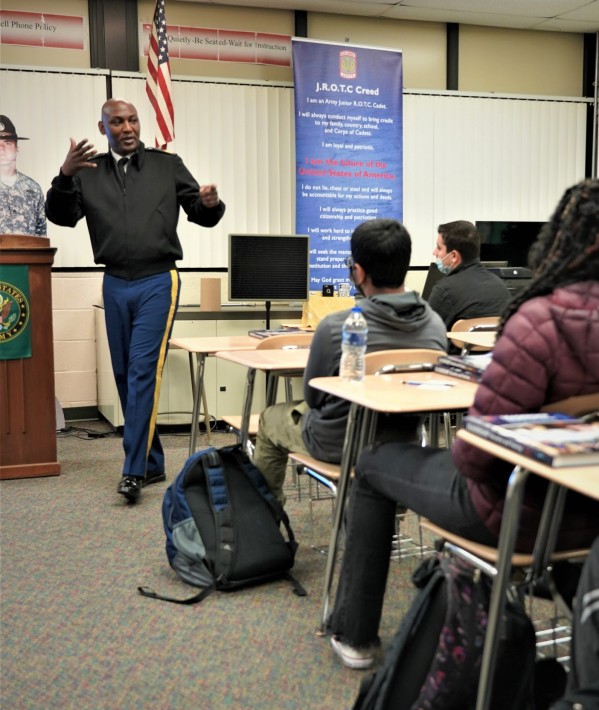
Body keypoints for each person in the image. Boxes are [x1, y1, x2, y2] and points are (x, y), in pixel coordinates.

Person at [328, 172, 599, 669]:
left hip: (515, 516)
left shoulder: (542, 321)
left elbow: (474, 455)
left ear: (562, 239)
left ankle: (356, 635)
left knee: (371, 464)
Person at [45, 98, 225, 503]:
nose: (127, 128)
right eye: (117, 122)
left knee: (144, 369)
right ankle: (154, 460)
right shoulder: (88, 173)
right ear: (103, 126)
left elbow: (200, 210)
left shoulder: (167, 164)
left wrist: (211, 204)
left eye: (132, 120)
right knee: (126, 374)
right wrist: (63, 176)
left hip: (159, 279)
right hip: (114, 282)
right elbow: (61, 217)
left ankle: (133, 470)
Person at [252, 218, 448, 503]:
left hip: (339, 442)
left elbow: (314, 397)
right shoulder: (435, 324)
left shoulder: (337, 326)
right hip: (403, 443)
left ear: (357, 272)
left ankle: (266, 519)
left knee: (270, 419)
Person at [428, 219, 510, 331]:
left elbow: (428, 335)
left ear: (454, 256)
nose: (435, 253)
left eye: (439, 248)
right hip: (497, 348)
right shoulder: (501, 287)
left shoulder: (444, 291)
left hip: (458, 348)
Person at [0, 115, 46, 236]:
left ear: (17, 148)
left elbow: (41, 237)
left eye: (8, 143)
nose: (2, 148)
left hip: (26, 254)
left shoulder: (33, 189)